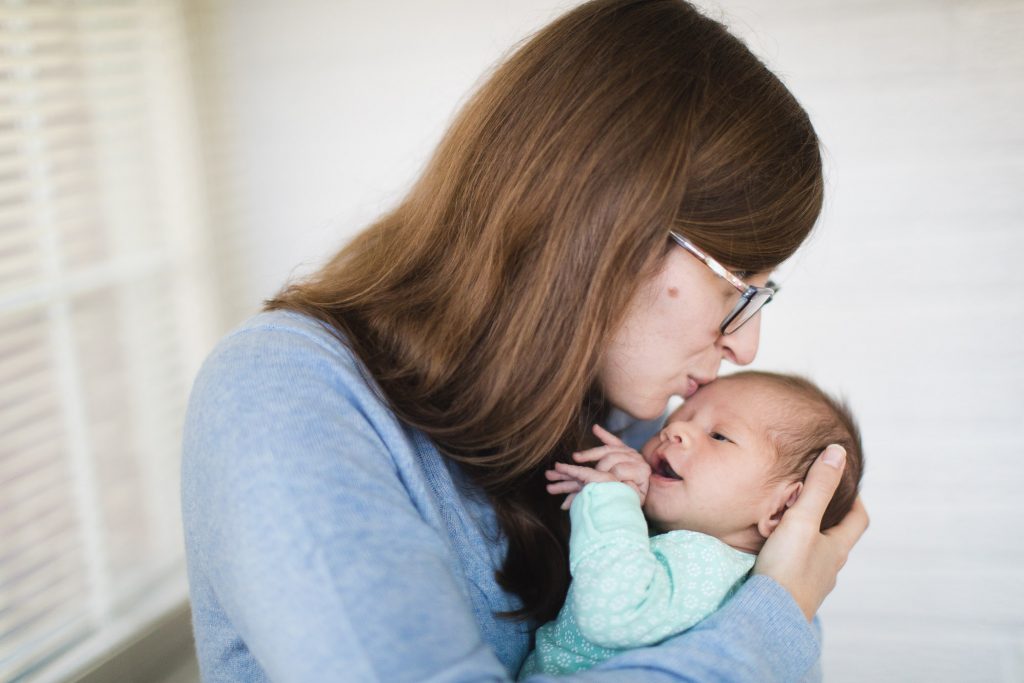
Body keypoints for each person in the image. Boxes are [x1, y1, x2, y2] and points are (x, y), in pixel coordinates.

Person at [181, 0, 869, 681]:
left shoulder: (615, 419)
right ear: (609, 224)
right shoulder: (283, 396)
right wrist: (779, 611)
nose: (745, 345)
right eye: (736, 284)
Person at [519, 371, 864, 678]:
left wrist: (611, 500)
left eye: (719, 436)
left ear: (780, 510)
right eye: (677, 418)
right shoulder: (725, 573)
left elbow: (614, 615)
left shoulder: (704, 560)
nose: (674, 430)